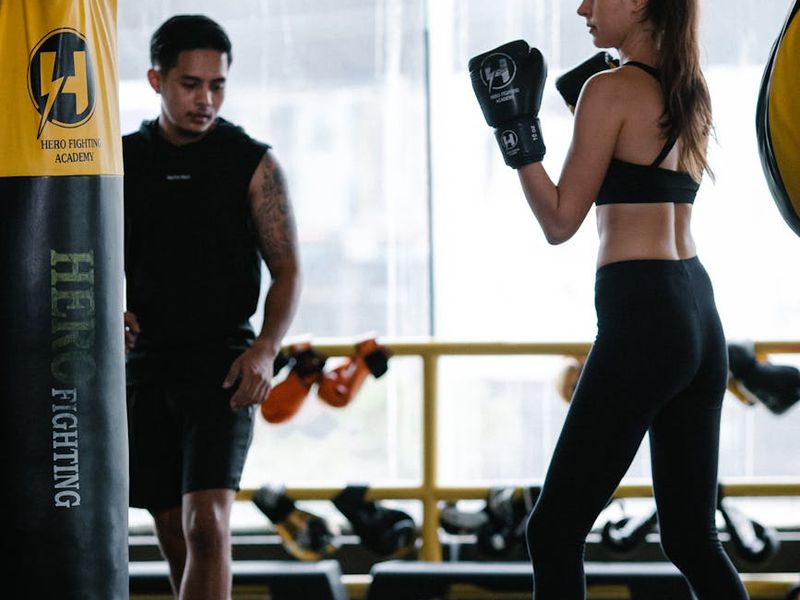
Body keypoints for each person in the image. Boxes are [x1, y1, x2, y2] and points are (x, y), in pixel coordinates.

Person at [470, 1, 748, 598]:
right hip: (698, 315)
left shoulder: (609, 89)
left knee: (553, 531)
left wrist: (516, 134)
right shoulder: (689, 89)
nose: (583, 7)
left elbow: (559, 221)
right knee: (693, 539)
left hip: (644, 315)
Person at [122, 14, 301, 600]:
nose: (206, 99)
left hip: (224, 366)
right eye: (190, 84)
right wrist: (108, 313)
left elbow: (288, 270)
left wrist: (265, 350)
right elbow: (85, 260)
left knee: (206, 523)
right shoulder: (121, 162)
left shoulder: (251, 162)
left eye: (217, 85)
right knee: (175, 532)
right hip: (147, 366)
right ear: (157, 80)